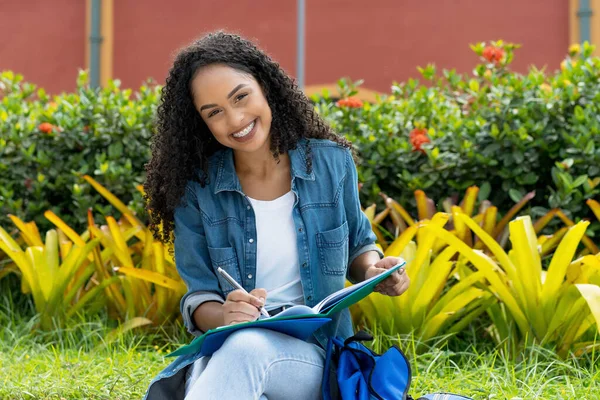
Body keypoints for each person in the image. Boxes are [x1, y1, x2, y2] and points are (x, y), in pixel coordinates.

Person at [142, 31, 410, 400]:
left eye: (241, 96)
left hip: (317, 354)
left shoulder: (331, 163)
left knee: (245, 350)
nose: (235, 119)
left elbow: (359, 245)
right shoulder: (196, 189)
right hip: (234, 349)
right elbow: (199, 297)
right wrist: (224, 316)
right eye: (214, 112)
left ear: (264, 86)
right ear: (200, 124)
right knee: (235, 351)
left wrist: (374, 270)